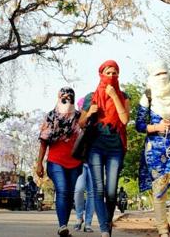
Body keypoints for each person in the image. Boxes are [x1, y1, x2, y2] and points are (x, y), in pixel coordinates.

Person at [136, 61, 170, 237]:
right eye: (158, 74)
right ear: (152, 77)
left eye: (164, 73)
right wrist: (156, 127)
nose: (162, 77)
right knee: (159, 190)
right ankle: (162, 229)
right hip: (155, 149)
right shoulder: (147, 97)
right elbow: (139, 125)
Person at [79, 60, 130, 237]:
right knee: (98, 189)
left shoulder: (124, 96)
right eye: (108, 72)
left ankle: (107, 221)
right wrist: (90, 112)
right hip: (96, 146)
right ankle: (103, 229)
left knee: (111, 190)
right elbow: (81, 123)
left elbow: (124, 120)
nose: (111, 76)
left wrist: (115, 96)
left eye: (115, 72)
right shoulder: (90, 97)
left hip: (115, 147)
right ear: (101, 74)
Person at [36, 87, 83, 237]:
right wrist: (39, 163)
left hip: (75, 163)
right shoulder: (51, 117)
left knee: (69, 194)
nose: (67, 100)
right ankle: (62, 225)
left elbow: (86, 137)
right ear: (59, 98)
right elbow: (44, 142)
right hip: (55, 161)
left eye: (71, 98)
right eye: (64, 98)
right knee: (62, 190)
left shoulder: (79, 117)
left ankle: (64, 226)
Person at [74, 93, 95, 233]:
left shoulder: (97, 121)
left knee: (93, 193)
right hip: (80, 161)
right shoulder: (76, 121)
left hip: (94, 162)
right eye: (83, 108)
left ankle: (88, 222)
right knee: (79, 189)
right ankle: (78, 217)